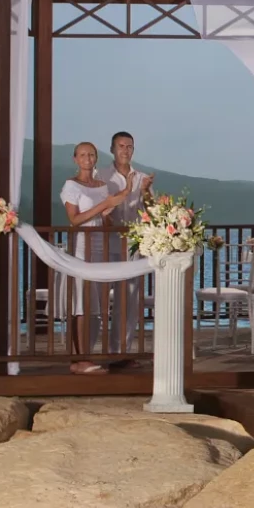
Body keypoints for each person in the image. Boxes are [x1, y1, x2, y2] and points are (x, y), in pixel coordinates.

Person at [59, 141, 132, 374]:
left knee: (98, 305)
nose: (88, 158)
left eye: (91, 154)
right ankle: (80, 358)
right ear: (75, 159)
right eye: (83, 155)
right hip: (82, 248)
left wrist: (108, 213)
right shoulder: (71, 185)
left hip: (102, 247)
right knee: (82, 302)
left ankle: (88, 355)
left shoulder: (102, 186)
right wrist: (105, 204)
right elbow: (75, 219)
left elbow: (104, 216)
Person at [103, 131, 154, 353]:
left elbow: (152, 212)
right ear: (112, 149)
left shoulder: (142, 178)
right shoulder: (102, 176)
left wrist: (145, 193)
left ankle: (120, 352)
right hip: (105, 244)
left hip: (133, 247)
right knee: (97, 300)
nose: (125, 150)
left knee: (129, 303)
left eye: (129, 146)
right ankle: (88, 353)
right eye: (121, 146)